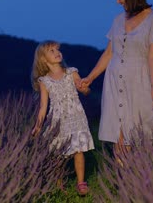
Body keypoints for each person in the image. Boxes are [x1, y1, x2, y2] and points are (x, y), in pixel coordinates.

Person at [80, 0, 153, 160]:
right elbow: (109, 53)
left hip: (139, 82)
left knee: (144, 134)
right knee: (119, 138)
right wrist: (91, 77)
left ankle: (146, 182)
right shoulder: (118, 20)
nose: (117, 1)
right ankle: (122, 182)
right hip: (114, 82)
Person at [30, 40, 94, 196]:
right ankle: (59, 183)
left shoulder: (71, 72)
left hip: (76, 116)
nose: (56, 52)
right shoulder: (44, 81)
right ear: (43, 59)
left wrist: (84, 89)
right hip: (58, 119)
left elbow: (84, 90)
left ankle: (81, 182)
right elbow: (43, 106)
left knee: (78, 149)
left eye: (57, 49)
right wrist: (38, 126)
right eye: (51, 51)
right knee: (59, 152)